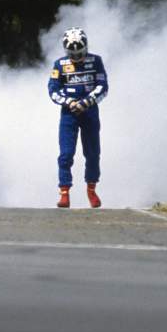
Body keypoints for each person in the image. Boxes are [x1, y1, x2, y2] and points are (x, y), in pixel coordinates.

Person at [48, 26, 108, 209]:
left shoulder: (96, 61)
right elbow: (52, 89)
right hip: (69, 113)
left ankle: (91, 189)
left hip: (90, 111)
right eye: (72, 55)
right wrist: (69, 102)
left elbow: (103, 86)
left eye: (79, 53)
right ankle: (64, 192)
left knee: (92, 153)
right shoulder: (59, 64)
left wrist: (88, 101)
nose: (77, 58)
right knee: (66, 153)